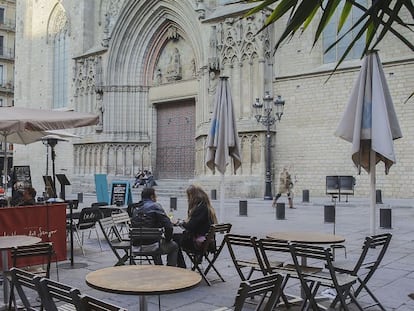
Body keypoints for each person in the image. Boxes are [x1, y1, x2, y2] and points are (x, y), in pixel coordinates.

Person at [130, 187, 178, 266]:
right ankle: (170, 270)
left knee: (156, 240)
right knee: (174, 246)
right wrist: (168, 239)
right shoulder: (155, 206)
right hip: (152, 246)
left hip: (136, 246)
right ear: (152, 196)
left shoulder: (134, 208)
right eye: (156, 196)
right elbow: (169, 226)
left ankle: (159, 267)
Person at [174, 185, 218, 267]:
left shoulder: (201, 208)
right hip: (207, 241)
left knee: (173, 240)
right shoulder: (207, 207)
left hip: (198, 243)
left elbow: (190, 226)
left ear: (192, 196)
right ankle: (183, 265)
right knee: (176, 238)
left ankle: (181, 266)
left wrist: (180, 222)